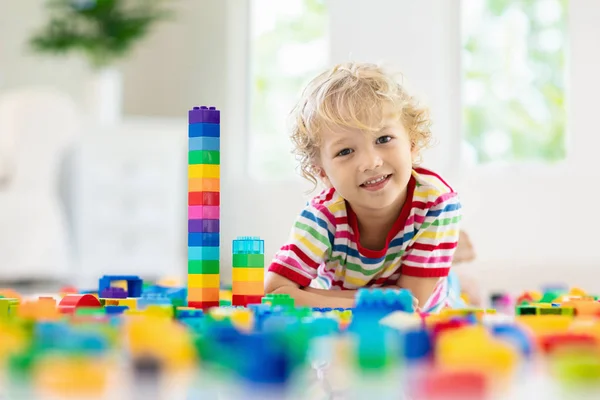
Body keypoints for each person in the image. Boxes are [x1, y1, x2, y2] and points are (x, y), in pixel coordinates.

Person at [264, 62, 463, 313]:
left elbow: (411, 305)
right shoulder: (321, 216)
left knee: (459, 291)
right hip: (350, 312)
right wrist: (365, 299)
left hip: (428, 307)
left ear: (412, 144)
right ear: (323, 173)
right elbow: (274, 293)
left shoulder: (437, 202)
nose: (370, 162)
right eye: (345, 151)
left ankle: (457, 272)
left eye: (383, 139)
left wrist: (310, 294)